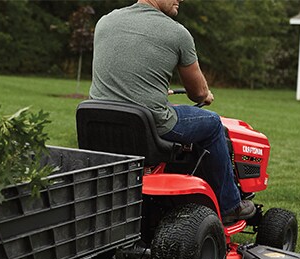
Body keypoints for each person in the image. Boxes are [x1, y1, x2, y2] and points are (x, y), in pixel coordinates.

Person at [89, 0, 256, 224]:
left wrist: (152, 88)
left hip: (100, 122)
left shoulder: (105, 22)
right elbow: (197, 92)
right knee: (213, 124)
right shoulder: (177, 33)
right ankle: (229, 205)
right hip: (150, 123)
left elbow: (120, 73)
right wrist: (206, 95)